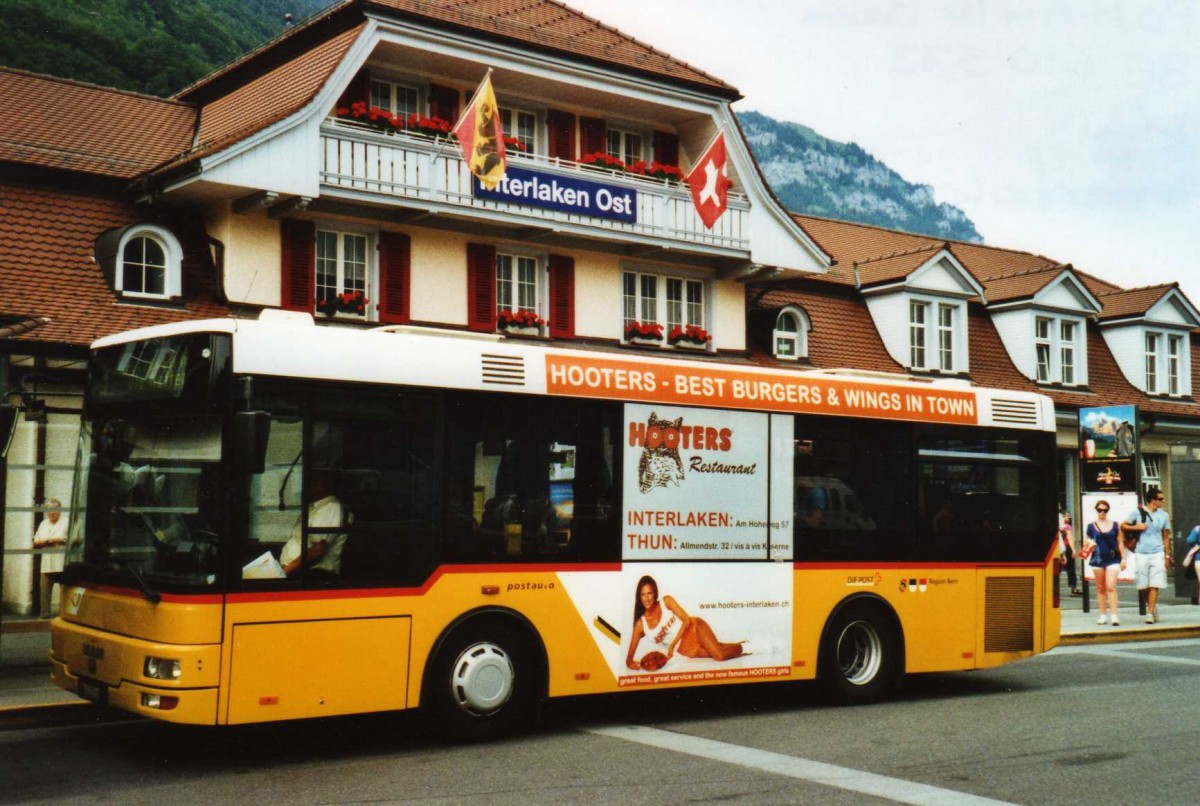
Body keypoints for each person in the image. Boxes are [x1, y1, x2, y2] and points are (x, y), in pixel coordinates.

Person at [624, 575, 747, 671]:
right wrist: (640, 665)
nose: (647, 598)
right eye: (643, 594)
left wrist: (672, 645)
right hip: (686, 649)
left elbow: (686, 620)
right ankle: (746, 646)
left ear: (655, 592)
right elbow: (629, 660)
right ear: (639, 597)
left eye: (649, 593)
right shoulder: (640, 625)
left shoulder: (666, 601)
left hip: (694, 628)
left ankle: (752, 646)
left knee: (720, 655)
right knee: (718, 649)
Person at [280, 470, 349, 576]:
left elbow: (318, 549)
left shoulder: (331, 507)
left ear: (328, 484)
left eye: (316, 480)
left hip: (313, 575)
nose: (310, 484)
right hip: (296, 571)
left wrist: (284, 572)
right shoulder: (313, 507)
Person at [1121, 487, 1172, 623]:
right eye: (1160, 499)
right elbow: (1123, 526)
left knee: (1155, 583)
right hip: (1141, 552)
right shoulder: (1137, 512)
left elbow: (1166, 536)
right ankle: (1152, 606)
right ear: (1152, 500)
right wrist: (1136, 527)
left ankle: (1149, 613)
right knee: (1143, 584)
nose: (1163, 501)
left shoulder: (1164, 515)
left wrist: (1167, 556)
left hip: (1157, 552)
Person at [1085, 500, 1124, 625]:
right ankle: (1102, 615)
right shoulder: (1091, 526)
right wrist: (1089, 544)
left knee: (1111, 586)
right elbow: (1087, 541)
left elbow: (1120, 542)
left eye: (1105, 510)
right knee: (1100, 588)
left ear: (1108, 510)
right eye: (1100, 510)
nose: (1102, 512)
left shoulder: (1115, 525)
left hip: (1113, 558)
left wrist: (1123, 559)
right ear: (1096, 510)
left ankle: (1114, 615)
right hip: (1098, 558)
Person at [32, 498, 68, 617]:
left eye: (54, 510)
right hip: (47, 561)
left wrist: (62, 540)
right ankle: (45, 614)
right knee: (45, 589)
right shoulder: (43, 523)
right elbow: (36, 540)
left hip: (62, 561)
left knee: (64, 589)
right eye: (49, 510)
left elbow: (77, 539)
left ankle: (64, 614)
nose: (51, 513)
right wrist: (43, 541)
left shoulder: (67, 522)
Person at [1060, 513, 1078, 595]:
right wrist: (1073, 549)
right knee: (1071, 569)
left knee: (1059, 568)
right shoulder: (1067, 526)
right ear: (1062, 517)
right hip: (1067, 548)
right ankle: (1073, 588)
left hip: (1059, 549)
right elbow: (1070, 538)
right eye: (1066, 516)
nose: (1069, 517)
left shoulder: (1059, 527)